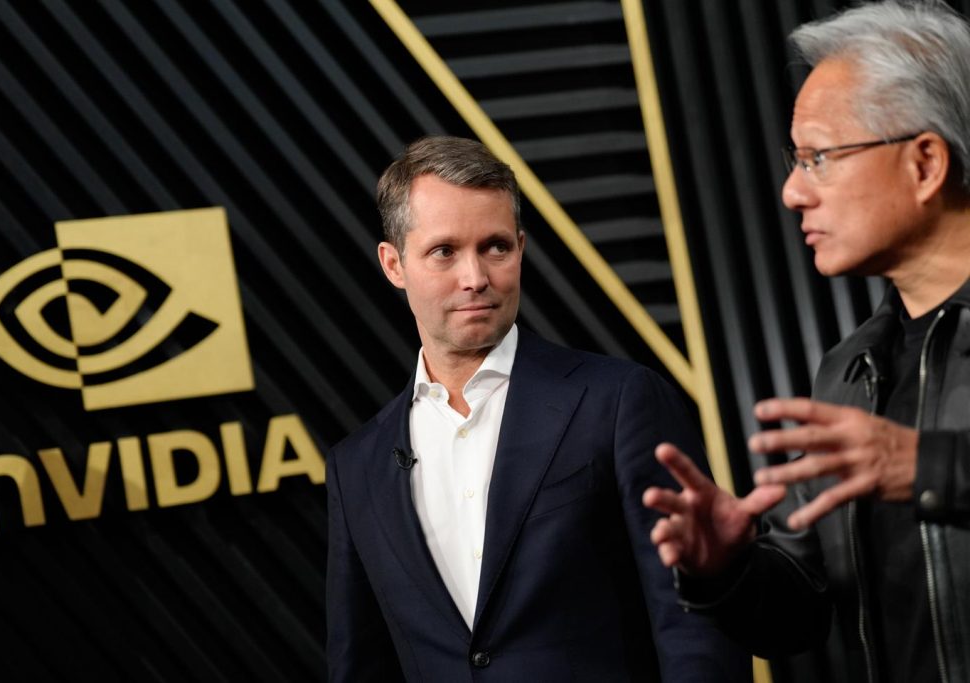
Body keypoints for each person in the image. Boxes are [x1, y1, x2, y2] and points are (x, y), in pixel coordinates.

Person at [325, 135, 749, 681]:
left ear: (520, 249)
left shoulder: (620, 401)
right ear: (393, 264)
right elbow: (360, 666)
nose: (475, 278)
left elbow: (693, 625)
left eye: (495, 247)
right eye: (444, 252)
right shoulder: (356, 467)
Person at [643, 1, 970, 682]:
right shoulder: (850, 370)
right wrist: (726, 567)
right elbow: (803, 611)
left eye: (819, 157)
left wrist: (931, 468)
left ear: (925, 163)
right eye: (796, 161)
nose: (793, 192)